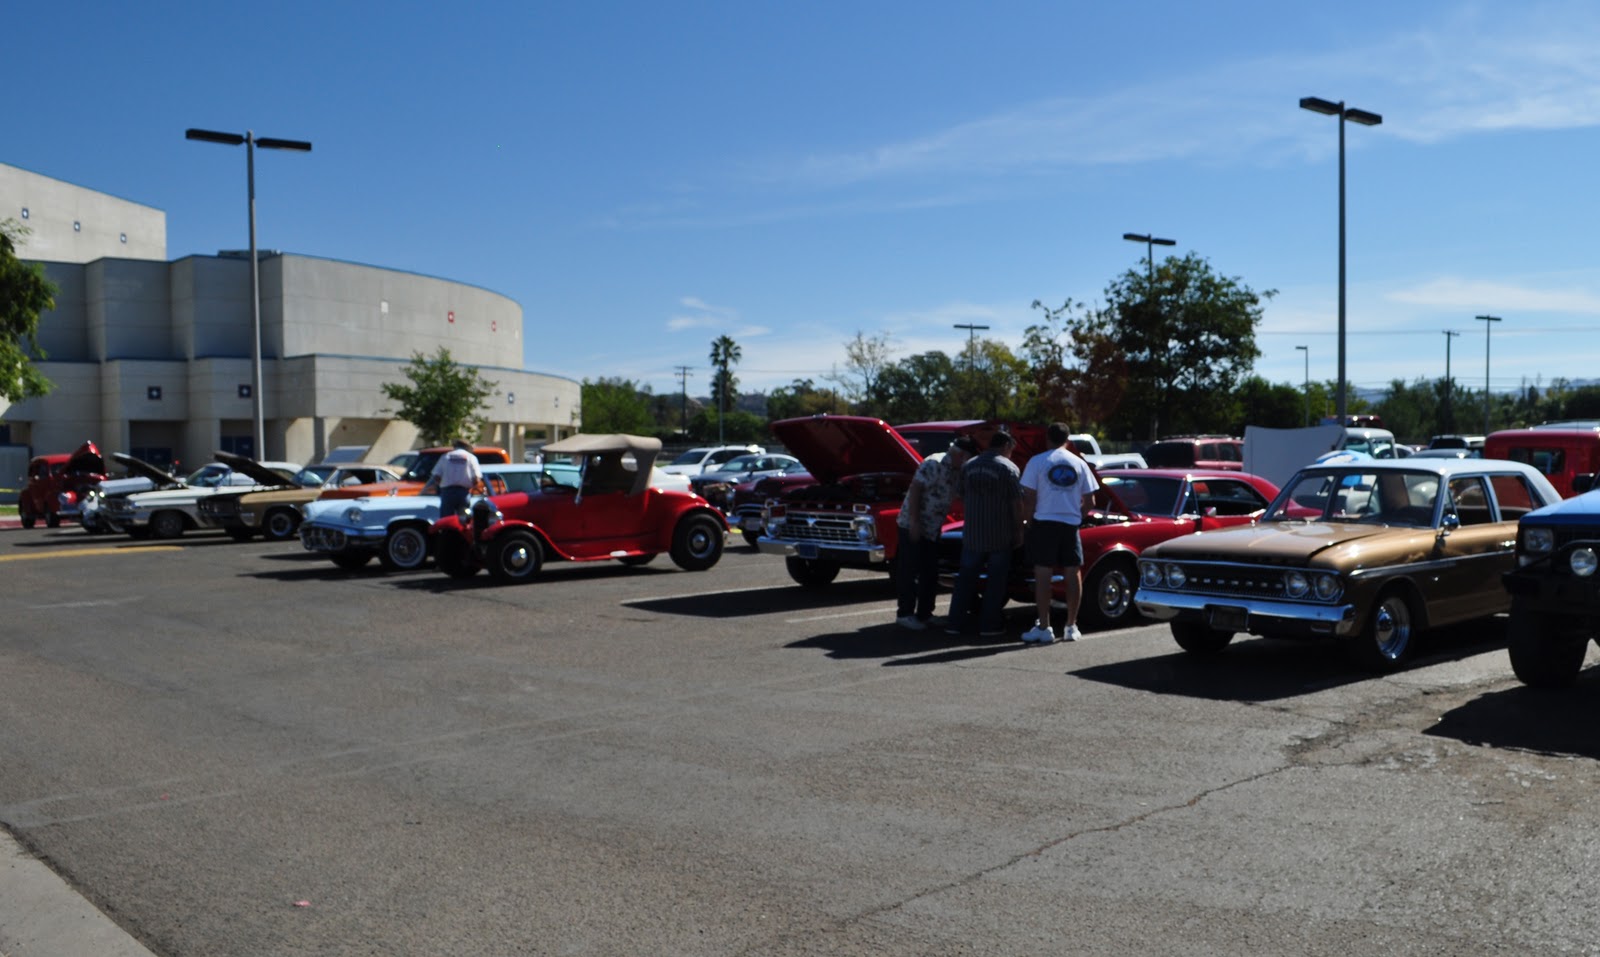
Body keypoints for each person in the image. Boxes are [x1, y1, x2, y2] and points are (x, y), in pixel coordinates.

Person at [1019, 423, 1100, 644]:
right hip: (1070, 524)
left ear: (1048, 438)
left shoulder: (1037, 461)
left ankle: (1044, 627)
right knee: (1073, 573)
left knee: (1043, 574)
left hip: (1044, 522)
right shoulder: (1079, 463)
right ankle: (1071, 626)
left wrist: (1027, 520)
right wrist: (1076, 517)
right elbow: (1091, 500)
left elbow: (1029, 496)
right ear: (1067, 439)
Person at [895, 435, 978, 630]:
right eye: (968, 457)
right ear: (961, 455)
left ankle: (925, 614)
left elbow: (960, 497)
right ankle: (904, 613)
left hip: (932, 528)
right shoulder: (934, 463)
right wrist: (915, 522)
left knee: (930, 571)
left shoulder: (958, 471)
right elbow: (916, 490)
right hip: (913, 524)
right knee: (909, 570)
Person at [945, 430, 1024, 637]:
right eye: (1011, 450)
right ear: (1006, 446)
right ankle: (990, 625)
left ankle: (954, 624)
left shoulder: (968, 466)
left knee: (965, 580)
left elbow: (959, 494)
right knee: (996, 581)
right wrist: (1019, 530)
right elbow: (1017, 504)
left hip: (972, 533)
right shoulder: (1009, 468)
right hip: (999, 534)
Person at [424, 439, 484, 516]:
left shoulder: (445, 457)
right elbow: (476, 479)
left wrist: (442, 484)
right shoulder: (471, 457)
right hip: (463, 493)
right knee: (463, 518)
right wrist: (471, 486)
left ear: (455, 446)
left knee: (447, 519)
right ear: (466, 447)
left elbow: (436, 476)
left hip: (447, 493)